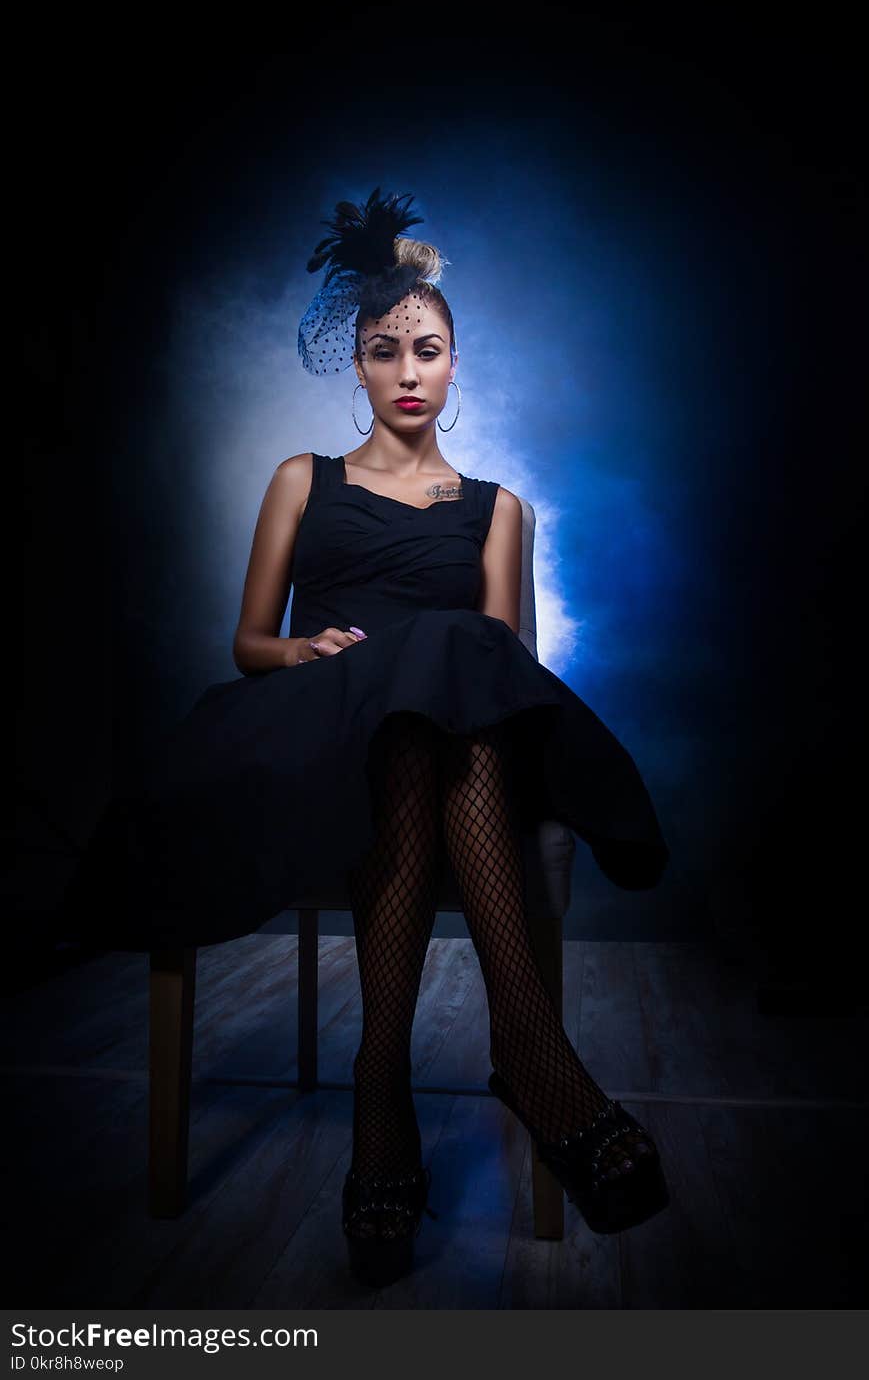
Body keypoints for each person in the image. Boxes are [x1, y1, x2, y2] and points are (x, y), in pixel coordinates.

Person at [62, 188, 671, 1288]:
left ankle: (381, 1091)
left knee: (451, 680)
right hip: (311, 715)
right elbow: (250, 640)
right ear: (355, 363)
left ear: (453, 367)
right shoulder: (304, 478)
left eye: (426, 350)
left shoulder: (501, 506)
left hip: (445, 736)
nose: (405, 370)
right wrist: (304, 655)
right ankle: (533, 1062)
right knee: (417, 682)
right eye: (384, 349)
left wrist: (417, 668)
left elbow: (504, 666)